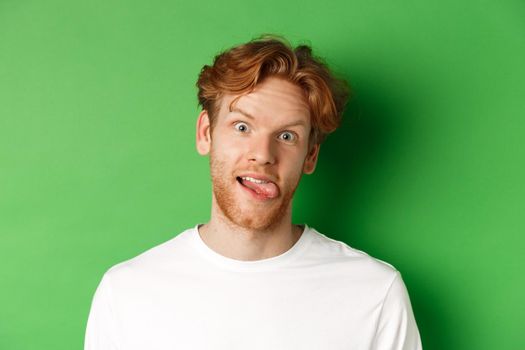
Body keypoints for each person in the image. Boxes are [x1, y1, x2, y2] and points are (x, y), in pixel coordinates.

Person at [84, 34, 423, 350]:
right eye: (242, 127)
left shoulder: (374, 293)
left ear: (310, 156)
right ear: (206, 133)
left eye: (287, 136)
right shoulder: (127, 293)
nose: (262, 154)